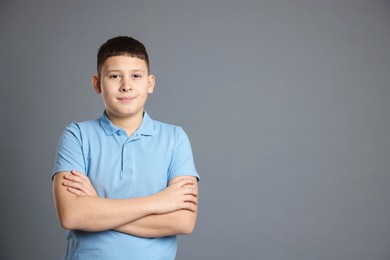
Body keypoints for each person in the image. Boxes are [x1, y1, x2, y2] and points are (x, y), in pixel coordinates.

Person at [52, 36, 199, 260]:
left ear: (150, 83)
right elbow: (72, 215)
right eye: (114, 76)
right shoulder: (77, 135)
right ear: (97, 83)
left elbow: (183, 221)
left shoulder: (175, 138)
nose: (126, 85)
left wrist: (97, 208)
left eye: (136, 76)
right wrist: (157, 203)